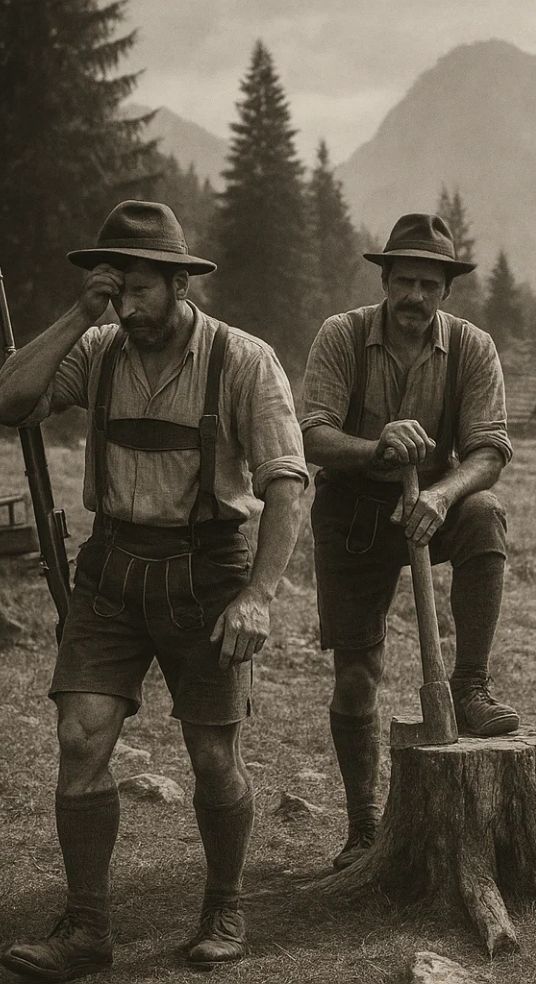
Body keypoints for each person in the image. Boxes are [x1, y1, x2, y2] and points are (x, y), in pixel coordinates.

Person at [0, 200, 308, 977]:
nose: (127, 307)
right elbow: (8, 401)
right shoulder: (97, 348)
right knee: (81, 739)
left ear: (179, 284)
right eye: (116, 288)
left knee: (210, 753)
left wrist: (260, 595)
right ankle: (87, 929)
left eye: (140, 289)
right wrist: (80, 310)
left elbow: (286, 486)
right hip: (110, 568)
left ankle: (224, 906)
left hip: (210, 572)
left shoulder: (243, 360)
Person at [301, 212, 516, 870]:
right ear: (386, 281)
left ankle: (471, 686)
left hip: (432, 502)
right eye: (405, 281)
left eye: (429, 284)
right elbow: (311, 435)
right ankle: (364, 821)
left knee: (484, 514)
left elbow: (489, 449)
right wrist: (377, 448)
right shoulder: (341, 337)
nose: (416, 296)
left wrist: (442, 493)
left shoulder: (473, 349)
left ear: (446, 290)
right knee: (355, 677)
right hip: (353, 511)